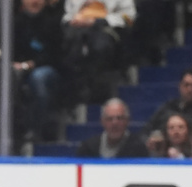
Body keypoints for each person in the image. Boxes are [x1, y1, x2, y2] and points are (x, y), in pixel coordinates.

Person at [61, 0, 136, 105]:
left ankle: (99, 95)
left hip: (106, 28)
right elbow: (68, 14)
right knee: (70, 48)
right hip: (78, 28)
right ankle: (74, 96)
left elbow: (129, 17)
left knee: (100, 46)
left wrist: (99, 21)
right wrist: (71, 20)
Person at [13, 0, 63, 142]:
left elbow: (56, 55)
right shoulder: (16, 23)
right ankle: (14, 130)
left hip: (48, 70)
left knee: (38, 78)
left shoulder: (53, 22)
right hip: (20, 68)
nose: (34, 1)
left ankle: (35, 129)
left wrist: (33, 64)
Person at [76, 98, 148, 158]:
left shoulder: (139, 149)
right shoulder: (88, 148)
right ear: (102, 122)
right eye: (109, 119)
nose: (115, 123)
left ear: (127, 121)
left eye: (119, 118)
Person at [143, 68, 192, 139]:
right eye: (186, 85)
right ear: (180, 86)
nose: (190, 90)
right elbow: (146, 131)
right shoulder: (168, 107)